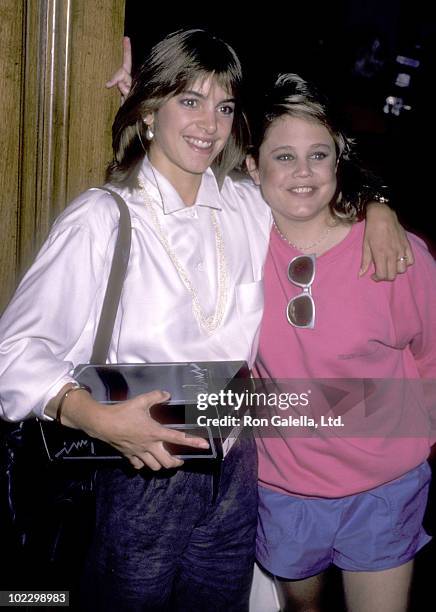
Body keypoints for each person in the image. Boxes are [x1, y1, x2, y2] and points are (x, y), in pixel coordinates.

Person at [0, 30, 411, 611]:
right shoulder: (102, 219)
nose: (208, 123)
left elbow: (308, 182)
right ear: (149, 109)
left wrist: (378, 206)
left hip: (238, 463)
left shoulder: (243, 204)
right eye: (188, 100)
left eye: (221, 106)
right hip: (140, 466)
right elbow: (12, 351)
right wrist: (94, 416)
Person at [246, 73, 436, 612]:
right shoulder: (235, 247)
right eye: (283, 156)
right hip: (285, 491)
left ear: (338, 161)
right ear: (252, 167)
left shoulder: (394, 255)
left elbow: (432, 357)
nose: (303, 172)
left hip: (385, 488)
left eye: (319, 155)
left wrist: (411, 437)